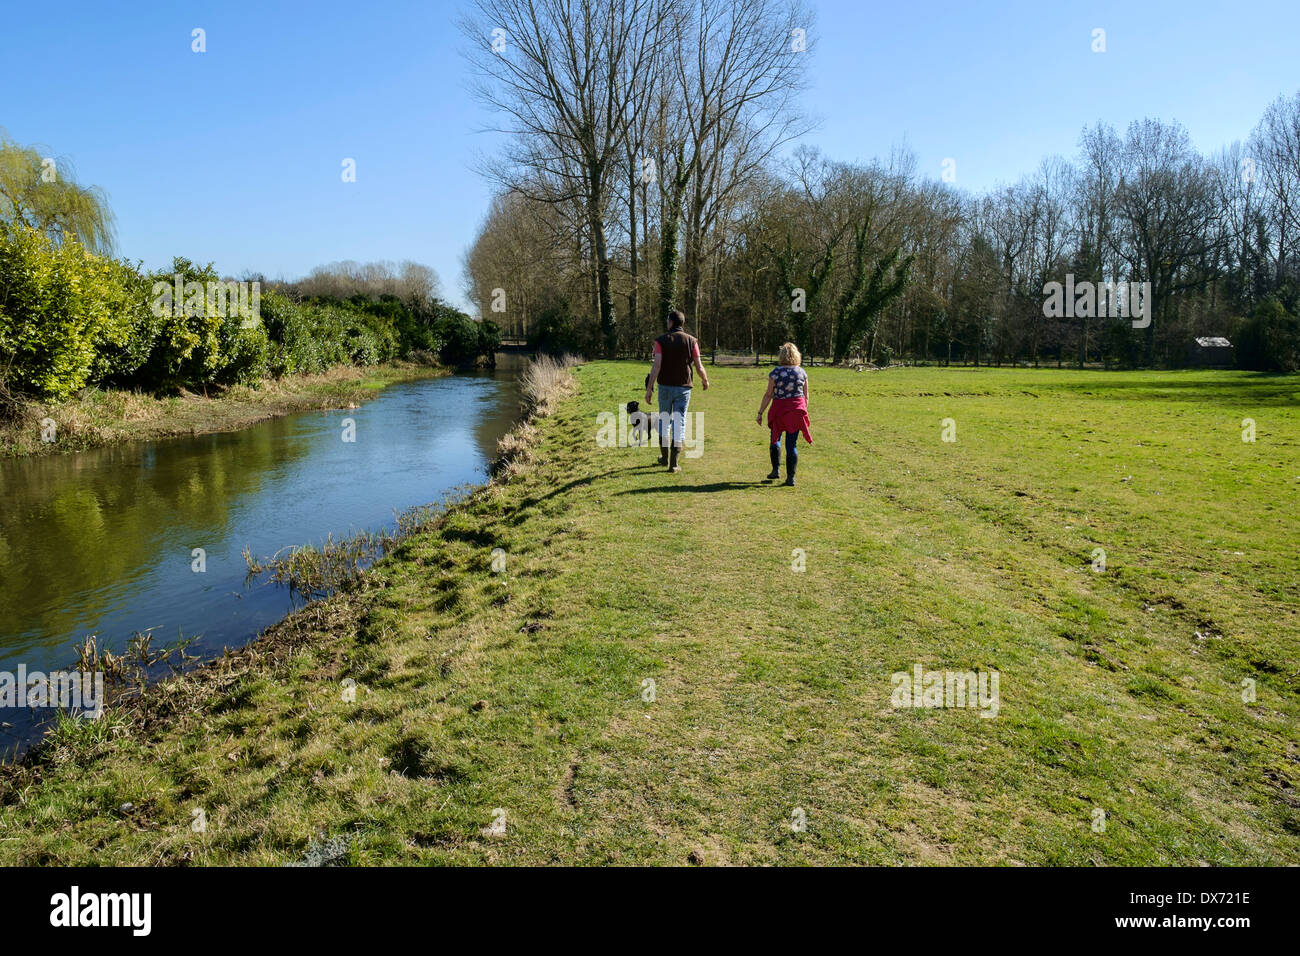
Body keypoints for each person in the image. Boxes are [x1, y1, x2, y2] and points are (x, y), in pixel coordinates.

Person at [645, 310, 709, 472]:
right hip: (684, 387)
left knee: (664, 421)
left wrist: (649, 388)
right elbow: (699, 365)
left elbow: (656, 366)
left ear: (671, 322)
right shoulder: (692, 341)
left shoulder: (660, 341)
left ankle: (664, 458)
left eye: (668, 320)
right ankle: (674, 463)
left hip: (665, 387)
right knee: (679, 423)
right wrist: (705, 380)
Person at [756, 342, 812, 486]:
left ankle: (775, 470)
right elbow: (806, 396)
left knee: (775, 439)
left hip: (779, 410)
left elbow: (768, 394)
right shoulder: (802, 372)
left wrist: (760, 412)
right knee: (791, 445)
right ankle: (791, 478)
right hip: (796, 410)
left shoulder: (776, 372)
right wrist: (803, 411)